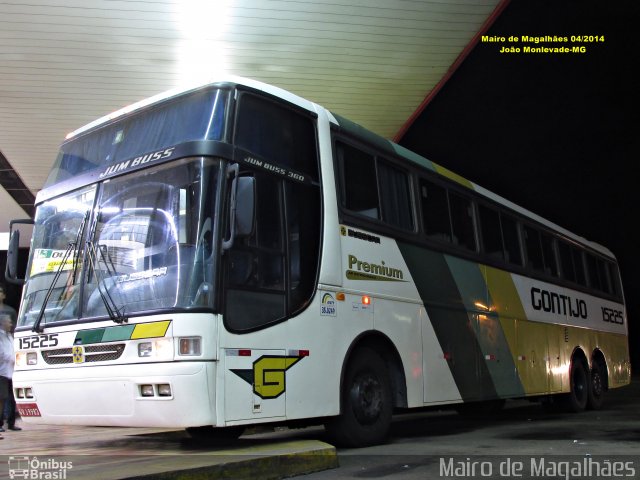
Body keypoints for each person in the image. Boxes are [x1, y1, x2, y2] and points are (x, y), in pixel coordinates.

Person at [0, 313, 20, 435]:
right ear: (3, 323)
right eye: (9, 321)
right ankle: (0, 423)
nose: (11, 324)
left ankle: (11, 423)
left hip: (11, 371)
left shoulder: (9, 336)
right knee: (2, 399)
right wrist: (14, 358)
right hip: (2, 372)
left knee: (12, 398)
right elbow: (2, 354)